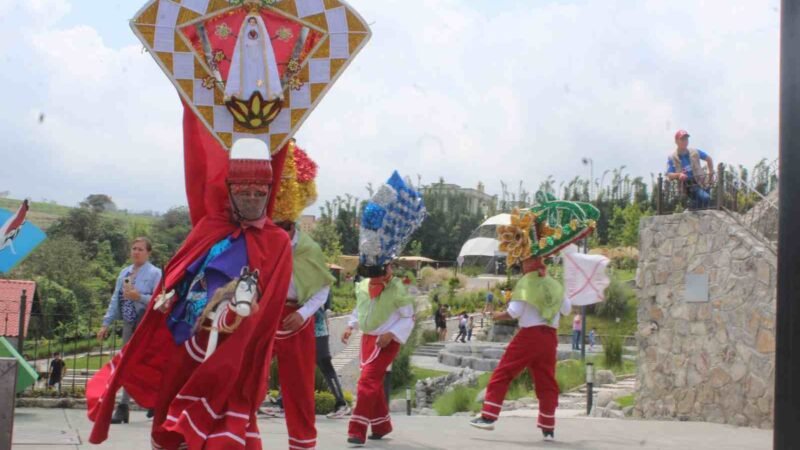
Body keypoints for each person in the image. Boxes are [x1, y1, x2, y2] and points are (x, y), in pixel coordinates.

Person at [87, 147, 294, 449]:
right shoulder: (210, 228)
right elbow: (178, 274)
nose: (252, 198)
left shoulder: (277, 242)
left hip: (231, 350)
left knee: (221, 423)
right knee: (171, 423)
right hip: (185, 339)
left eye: (259, 192)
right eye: (244, 191)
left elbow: (269, 308)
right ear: (229, 191)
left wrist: (238, 321)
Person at [470, 197, 599, 441]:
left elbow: (514, 312)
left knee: (503, 373)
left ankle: (488, 416)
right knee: (546, 381)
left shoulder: (526, 282)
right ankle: (548, 426)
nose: (519, 264)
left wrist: (496, 315)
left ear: (528, 259)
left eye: (521, 260)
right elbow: (566, 309)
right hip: (549, 338)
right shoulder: (553, 283)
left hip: (528, 336)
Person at [341, 171, 425, 447]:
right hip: (368, 339)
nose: (376, 277)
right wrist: (351, 326)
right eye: (371, 273)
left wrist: (391, 334)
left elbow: (408, 318)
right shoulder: (364, 286)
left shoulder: (398, 289)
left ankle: (356, 430)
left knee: (366, 382)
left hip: (386, 341)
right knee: (372, 384)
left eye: (380, 271)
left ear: (388, 267)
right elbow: (360, 307)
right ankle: (381, 425)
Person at [270, 142, 337, 450]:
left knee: (298, 385)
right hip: (265, 316)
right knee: (246, 376)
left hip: (298, 319)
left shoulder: (309, 248)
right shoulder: (262, 240)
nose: (278, 231)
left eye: (282, 227)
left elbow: (323, 287)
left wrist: (304, 312)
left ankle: (302, 443)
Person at [97, 237, 162, 424]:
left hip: (146, 325)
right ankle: (123, 406)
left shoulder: (155, 273)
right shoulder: (124, 273)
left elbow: (160, 299)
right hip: (128, 324)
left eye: (140, 249)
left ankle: (154, 401)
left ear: (148, 252)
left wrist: (139, 297)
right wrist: (106, 323)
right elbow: (115, 300)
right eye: (134, 248)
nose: (136, 252)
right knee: (127, 364)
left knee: (146, 364)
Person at [316, 293, 351, 419]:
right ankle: (283, 403)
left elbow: (324, 304)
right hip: (302, 329)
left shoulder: (319, 280)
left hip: (318, 330)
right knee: (295, 365)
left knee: (325, 365)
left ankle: (341, 403)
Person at [666, 130, 715, 210]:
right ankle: (690, 208)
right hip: (688, 185)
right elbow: (669, 174)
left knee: (705, 204)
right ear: (676, 141)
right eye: (682, 139)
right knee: (706, 199)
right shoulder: (672, 157)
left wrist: (711, 175)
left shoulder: (694, 152)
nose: (685, 141)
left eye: (686, 139)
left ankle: (692, 209)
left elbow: (709, 159)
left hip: (702, 181)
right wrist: (679, 175)